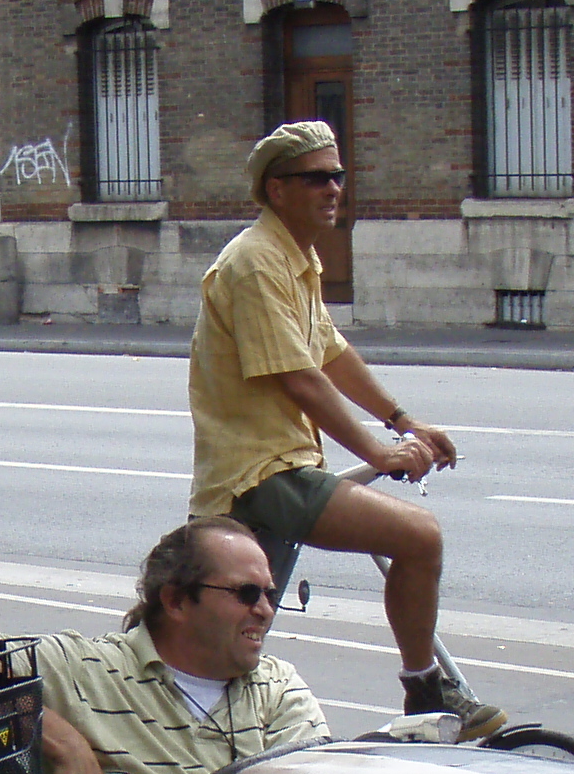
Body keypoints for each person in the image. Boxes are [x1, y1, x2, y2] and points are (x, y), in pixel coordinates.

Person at [191, 121, 483, 722]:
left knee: (229, 647)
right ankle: (423, 687)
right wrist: (380, 453)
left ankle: (207, 720)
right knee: (420, 537)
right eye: (317, 177)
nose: (334, 188)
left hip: (284, 463)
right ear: (276, 190)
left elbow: (331, 353)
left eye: (338, 175)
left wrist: (405, 422)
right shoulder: (254, 265)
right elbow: (300, 377)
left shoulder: (295, 259)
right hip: (258, 474)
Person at [38, 517, 331, 774]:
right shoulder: (84, 668)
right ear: (176, 601)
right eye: (246, 594)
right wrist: (64, 743)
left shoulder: (278, 690)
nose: (265, 611)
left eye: (270, 595)